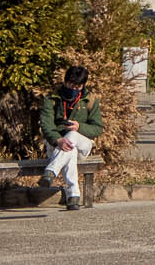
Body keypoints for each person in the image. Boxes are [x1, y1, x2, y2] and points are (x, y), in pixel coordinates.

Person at [43, 66, 101, 210]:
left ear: (83, 86)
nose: (74, 88)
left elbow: (98, 128)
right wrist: (58, 140)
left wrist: (79, 127)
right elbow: (46, 125)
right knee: (70, 150)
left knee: (73, 136)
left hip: (83, 144)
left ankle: (51, 172)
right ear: (65, 82)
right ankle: (73, 196)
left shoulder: (90, 100)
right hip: (57, 145)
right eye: (70, 84)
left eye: (78, 86)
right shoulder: (52, 98)